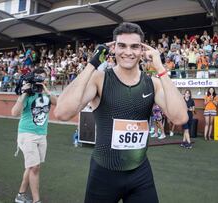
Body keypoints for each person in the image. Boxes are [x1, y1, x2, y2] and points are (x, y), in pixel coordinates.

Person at [54, 22, 188, 203]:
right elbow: (62, 112)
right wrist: (93, 64)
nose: (128, 52)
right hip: (103, 173)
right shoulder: (100, 79)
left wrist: (160, 68)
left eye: (134, 46)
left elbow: (180, 117)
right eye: (122, 45)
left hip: (140, 173)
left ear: (142, 50)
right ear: (113, 48)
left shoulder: (153, 83)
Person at [11, 68, 57, 203]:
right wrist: (24, 93)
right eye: (38, 78)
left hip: (42, 134)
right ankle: (37, 201)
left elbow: (58, 104)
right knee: (35, 167)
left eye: (43, 78)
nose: (40, 81)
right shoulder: (28, 94)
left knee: (32, 167)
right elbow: (14, 112)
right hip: (27, 133)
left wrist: (47, 91)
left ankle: (20, 195)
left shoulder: (46, 94)